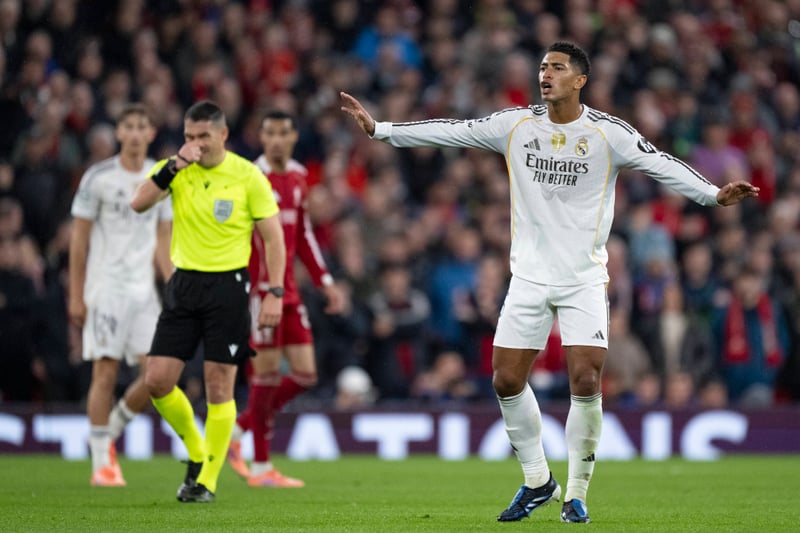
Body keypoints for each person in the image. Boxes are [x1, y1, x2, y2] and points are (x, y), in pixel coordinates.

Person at [340, 41, 759, 524]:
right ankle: (538, 480)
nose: (546, 74)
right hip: (529, 277)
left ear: (580, 80)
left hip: (583, 278)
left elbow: (661, 162)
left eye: (557, 68)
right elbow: (454, 130)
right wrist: (383, 130)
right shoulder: (515, 125)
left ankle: (576, 494)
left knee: (586, 379)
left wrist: (712, 194)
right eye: (543, 67)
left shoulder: (608, 133)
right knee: (506, 379)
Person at [130, 100, 286, 503]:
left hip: (228, 287)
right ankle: (198, 452)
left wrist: (275, 292)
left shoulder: (247, 176)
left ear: (223, 135)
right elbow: (139, 202)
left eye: (203, 136)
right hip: (183, 284)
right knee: (157, 380)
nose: (195, 143)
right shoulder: (176, 169)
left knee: (220, 383)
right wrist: (173, 165)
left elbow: (273, 239)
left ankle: (207, 482)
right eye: (189, 136)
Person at [225, 110, 345, 487]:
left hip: (288, 290)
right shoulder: (249, 178)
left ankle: (240, 428)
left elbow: (303, 234)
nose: (276, 140)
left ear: (293, 138)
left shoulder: (298, 176)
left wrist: (325, 281)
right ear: (261, 138)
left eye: (283, 133)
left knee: (306, 374)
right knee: (265, 376)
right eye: (270, 133)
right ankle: (261, 467)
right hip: (260, 292)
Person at [68, 103, 173, 487]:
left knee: (158, 375)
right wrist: (76, 294)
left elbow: (163, 239)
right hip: (106, 288)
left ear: (151, 133)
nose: (135, 133)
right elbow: (79, 240)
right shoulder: (98, 177)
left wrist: (174, 287)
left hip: (144, 292)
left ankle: (109, 430)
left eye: (142, 126)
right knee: (106, 371)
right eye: (128, 126)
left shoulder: (161, 176)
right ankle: (102, 464)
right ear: (119, 132)